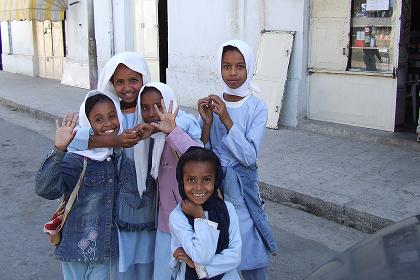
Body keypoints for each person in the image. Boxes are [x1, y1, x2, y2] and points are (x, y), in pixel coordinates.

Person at [69, 52, 202, 279]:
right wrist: (115, 140)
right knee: (122, 263)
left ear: (144, 79)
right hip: (116, 205)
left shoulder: (151, 108)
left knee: (149, 261)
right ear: (111, 82)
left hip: (150, 204)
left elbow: (187, 126)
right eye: (119, 81)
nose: (127, 87)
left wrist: (158, 127)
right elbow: (76, 138)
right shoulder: (107, 110)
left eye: (133, 80)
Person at [197, 39, 278, 280]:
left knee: (248, 254)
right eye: (226, 66)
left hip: (243, 194)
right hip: (217, 192)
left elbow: (249, 156)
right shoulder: (212, 104)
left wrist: (226, 119)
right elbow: (204, 154)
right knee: (222, 255)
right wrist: (208, 123)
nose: (232, 73)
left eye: (240, 66)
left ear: (249, 67)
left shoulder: (257, 107)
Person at [35, 90, 124, 279]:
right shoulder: (76, 160)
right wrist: (59, 149)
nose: (108, 124)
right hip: (75, 250)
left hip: (104, 249)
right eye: (98, 119)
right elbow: (45, 189)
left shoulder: (116, 155)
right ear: (88, 124)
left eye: (112, 116)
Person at [136, 81, 202, 280]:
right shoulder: (152, 136)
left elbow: (199, 158)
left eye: (159, 105)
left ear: (170, 102)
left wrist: (172, 132)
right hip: (165, 222)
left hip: (187, 219)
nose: (152, 113)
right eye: (145, 108)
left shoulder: (185, 125)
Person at [169, 146, 242, 279]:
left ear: (216, 180)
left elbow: (235, 255)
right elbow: (201, 255)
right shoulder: (178, 216)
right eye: (191, 180)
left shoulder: (228, 209)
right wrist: (200, 217)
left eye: (206, 179)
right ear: (181, 181)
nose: (198, 187)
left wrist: (198, 266)